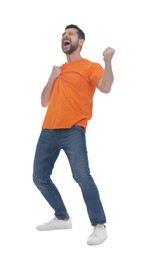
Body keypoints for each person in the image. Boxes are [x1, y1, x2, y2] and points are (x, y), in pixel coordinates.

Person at [33, 24, 115, 246]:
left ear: (80, 42)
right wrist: (52, 77)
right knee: (39, 177)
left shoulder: (90, 67)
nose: (65, 37)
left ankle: (99, 224)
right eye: (63, 35)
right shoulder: (58, 70)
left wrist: (108, 62)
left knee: (81, 176)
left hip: (73, 130)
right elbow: (43, 102)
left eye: (70, 34)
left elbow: (105, 87)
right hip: (48, 130)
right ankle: (62, 217)